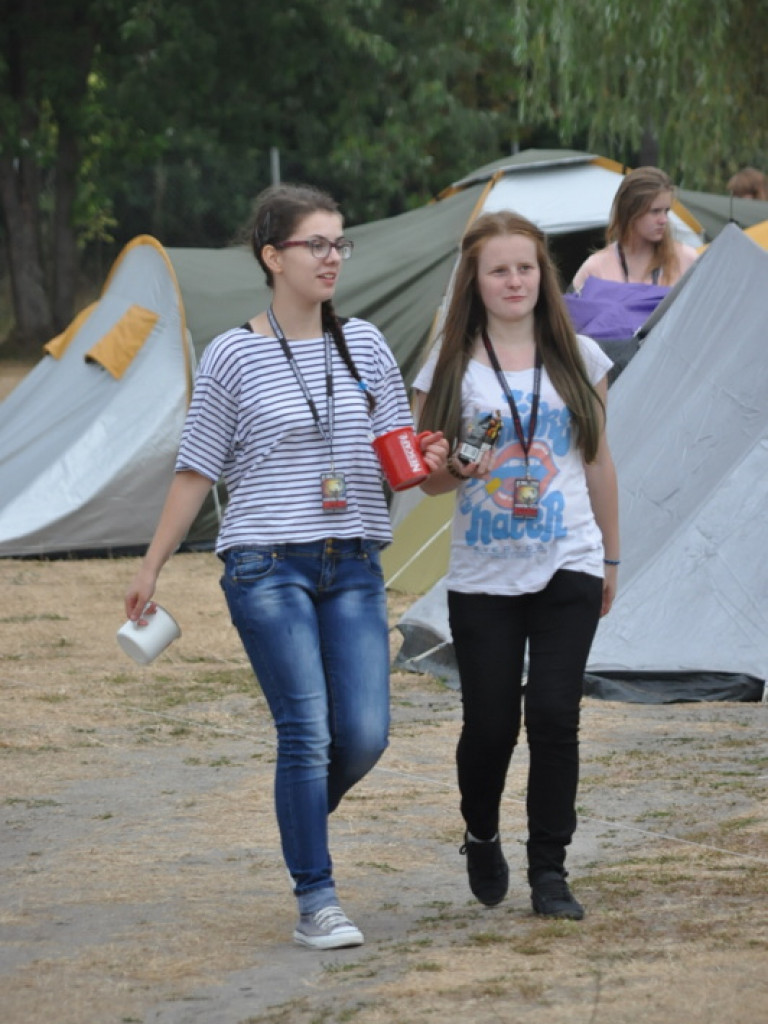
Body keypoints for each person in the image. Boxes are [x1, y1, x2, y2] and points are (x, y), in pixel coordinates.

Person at [124, 183, 448, 950]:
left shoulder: (365, 344)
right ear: (273, 257)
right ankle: (317, 899)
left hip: (357, 561)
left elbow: (405, 462)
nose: (333, 257)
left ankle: (297, 819)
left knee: (364, 735)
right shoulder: (235, 351)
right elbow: (197, 467)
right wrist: (151, 567)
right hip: (266, 563)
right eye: (317, 244)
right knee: (305, 732)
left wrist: (441, 463)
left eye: (340, 243)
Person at [413, 210, 619, 920]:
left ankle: (550, 872)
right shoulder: (448, 362)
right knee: (491, 726)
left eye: (526, 267)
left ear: (544, 275)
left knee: (556, 716)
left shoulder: (581, 357)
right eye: (499, 268)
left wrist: (612, 557)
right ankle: (481, 832)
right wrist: (455, 468)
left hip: (571, 559)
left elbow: (596, 460)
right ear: (475, 278)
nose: (514, 280)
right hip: (483, 574)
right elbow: (427, 478)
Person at [572, 166, 699, 291]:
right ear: (630, 211)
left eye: (666, 211)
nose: (663, 220)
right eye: (655, 211)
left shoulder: (686, 260)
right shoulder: (596, 268)